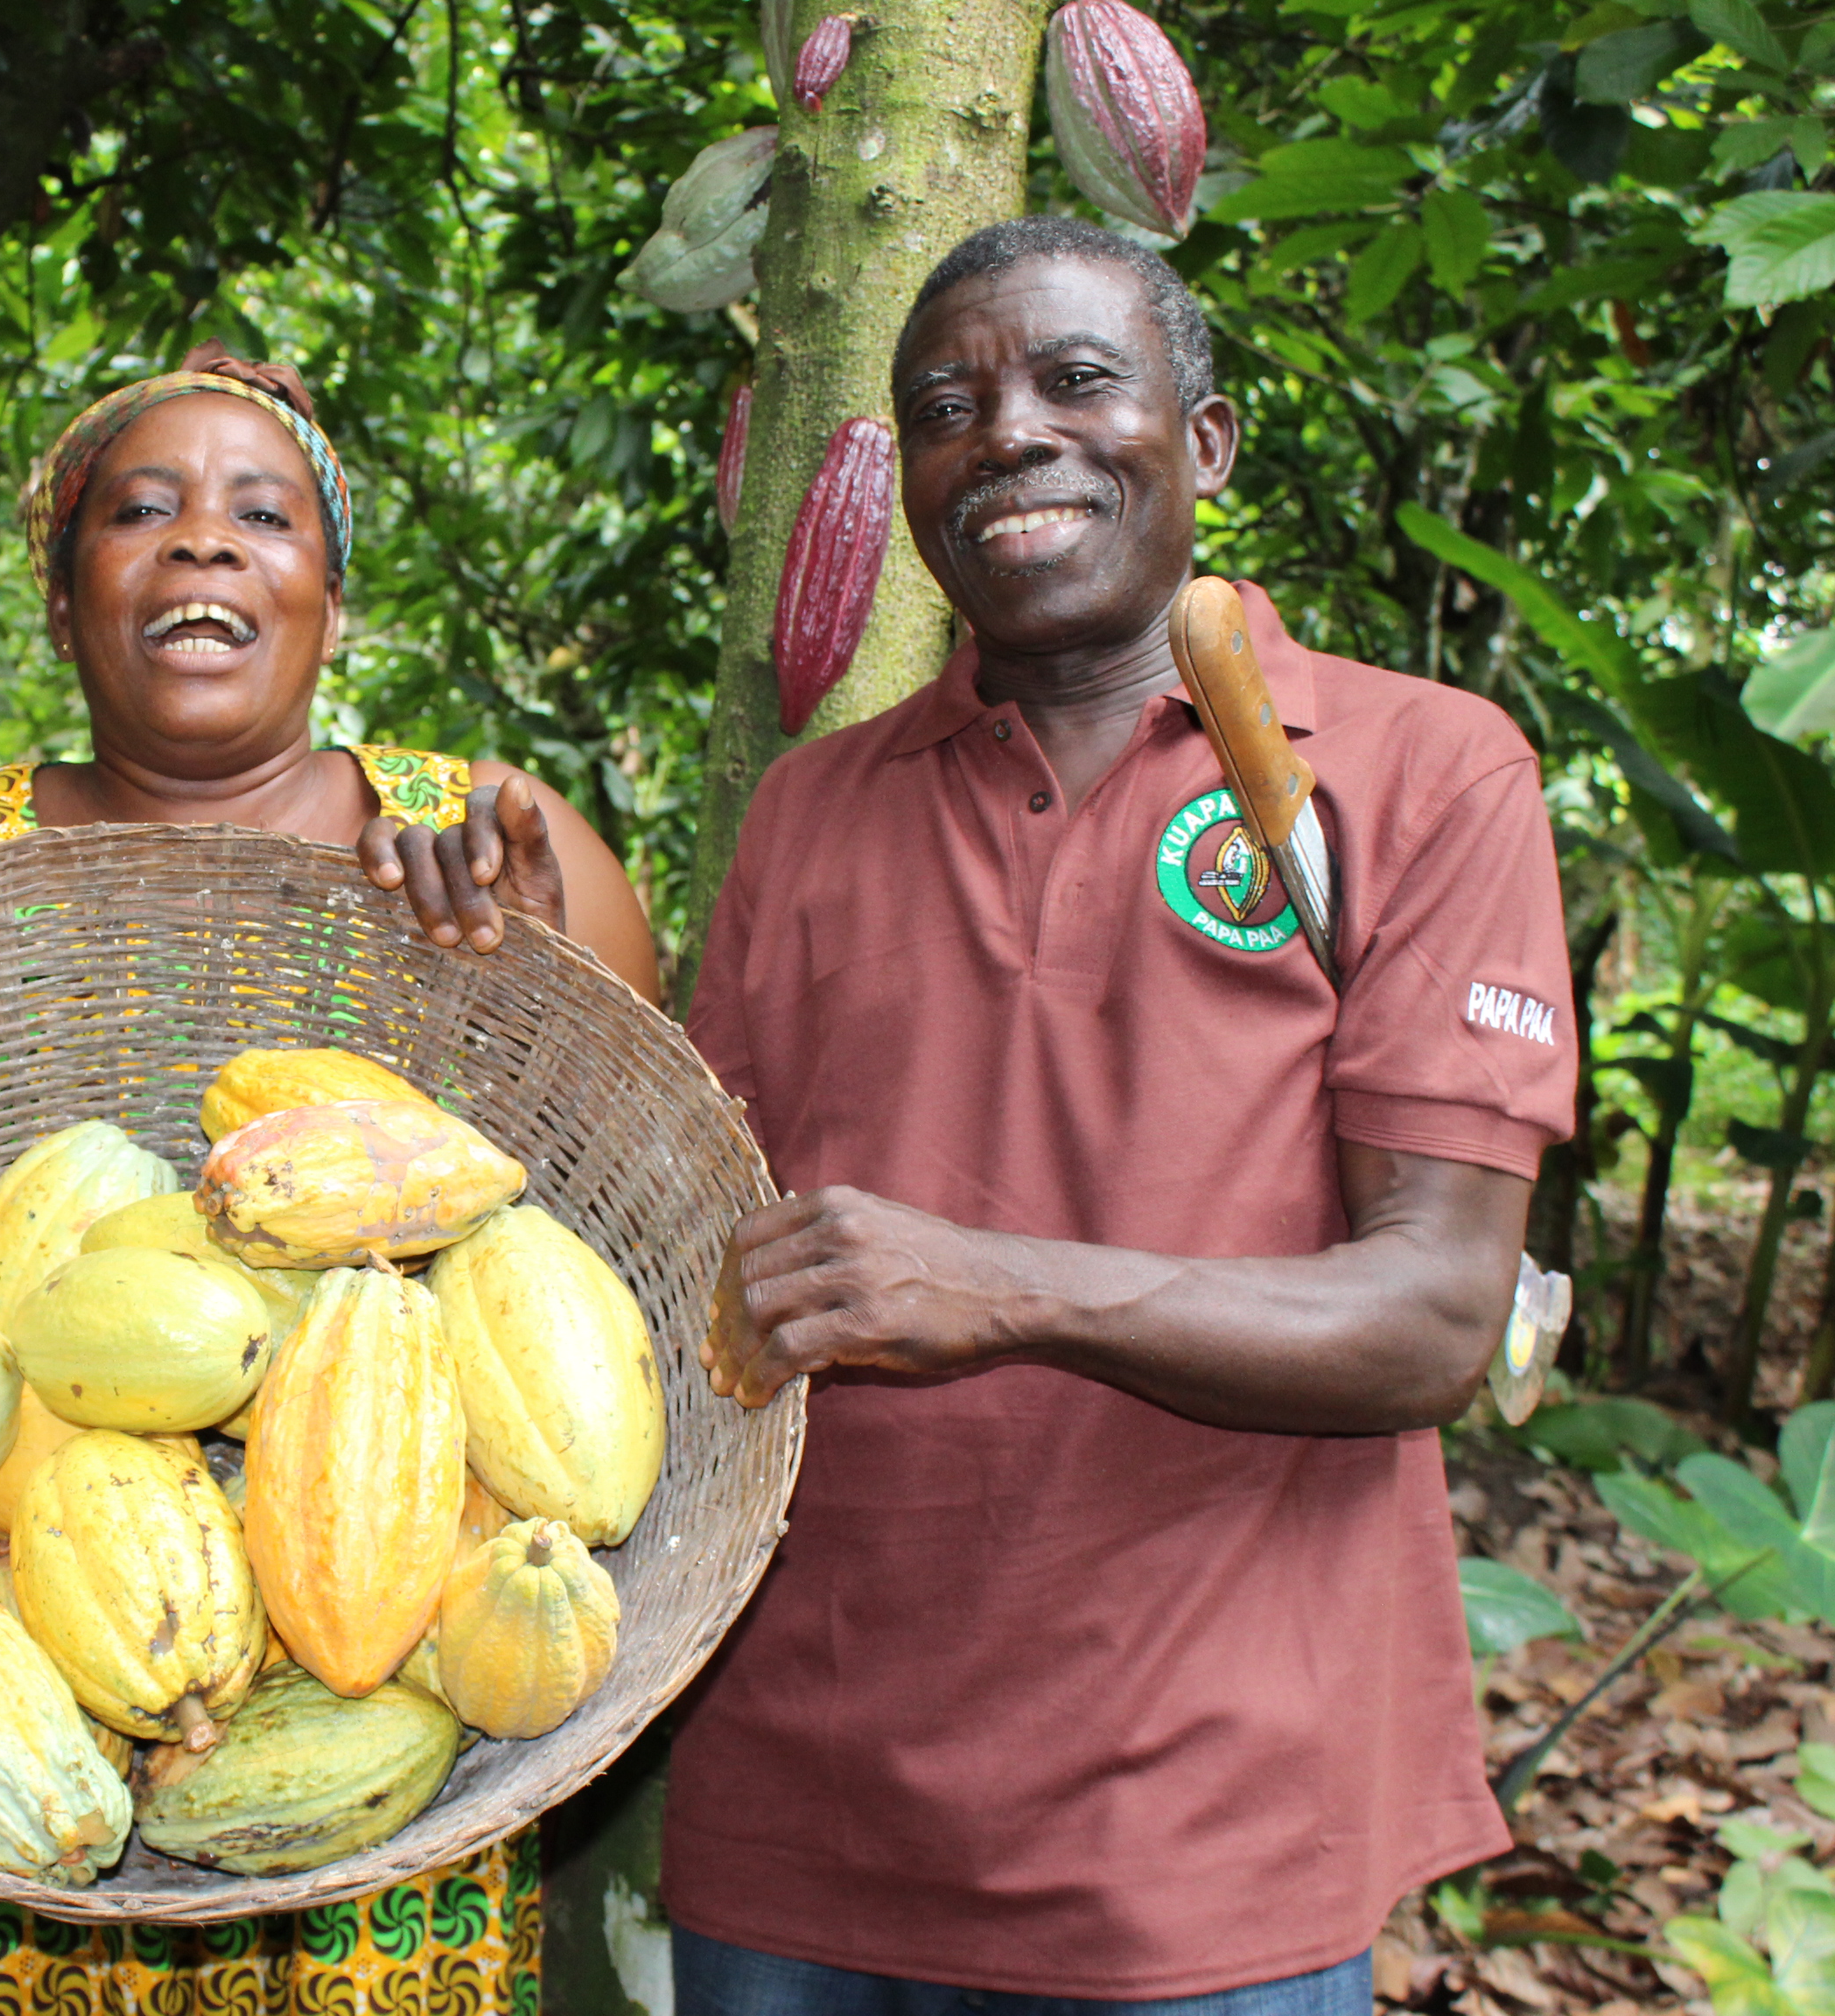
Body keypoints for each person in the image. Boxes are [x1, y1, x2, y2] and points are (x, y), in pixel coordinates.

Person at [662, 217, 1578, 2011]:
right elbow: (694, 1267)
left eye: (1078, 381)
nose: (1007, 431)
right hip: (796, 1803)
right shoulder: (811, 814)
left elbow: (1436, 1320)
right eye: (947, 405)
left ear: (1207, 443)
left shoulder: (1421, 768)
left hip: (1199, 1835)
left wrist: (999, 1286)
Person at [0, 341, 660, 2016]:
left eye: (262, 514)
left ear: (332, 606)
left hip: (355, 1747)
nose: (205, 542)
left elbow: (616, 1223)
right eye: (142, 512)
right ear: (65, 606)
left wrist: (530, 987)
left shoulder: (489, 842)